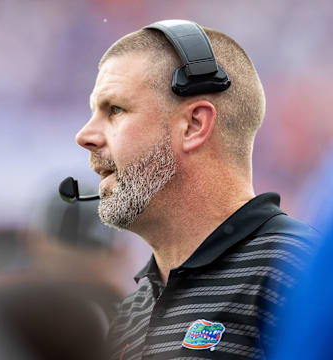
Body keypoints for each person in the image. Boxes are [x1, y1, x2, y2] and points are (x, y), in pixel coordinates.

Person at [75, 20, 318, 359]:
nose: (84, 135)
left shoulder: (299, 272)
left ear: (193, 125)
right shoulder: (132, 311)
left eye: (115, 110)